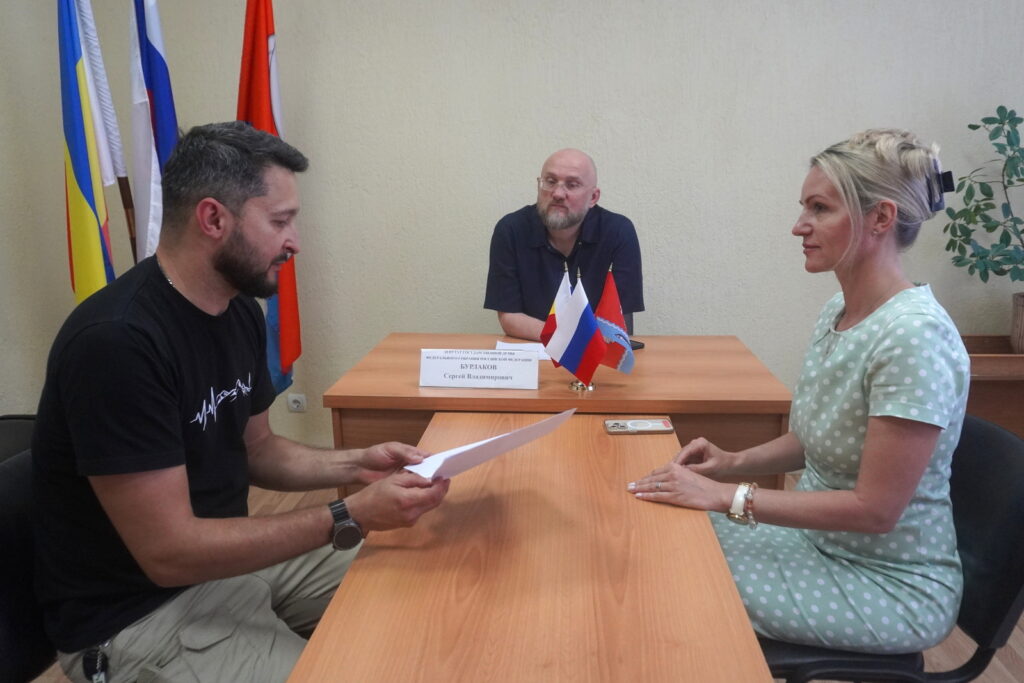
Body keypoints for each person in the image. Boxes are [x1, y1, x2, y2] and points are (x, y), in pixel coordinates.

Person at [32, 121, 450, 682]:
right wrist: (347, 513)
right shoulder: (117, 344)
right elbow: (168, 553)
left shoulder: (237, 312)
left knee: (433, 590)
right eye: (280, 221)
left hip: (226, 567)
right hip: (138, 616)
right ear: (213, 219)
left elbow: (258, 449)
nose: (294, 242)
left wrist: (360, 463)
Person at [628, 129, 969, 654]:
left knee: (663, 573)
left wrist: (725, 496)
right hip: (818, 545)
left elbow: (875, 510)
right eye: (804, 207)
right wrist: (732, 462)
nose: (799, 225)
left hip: (887, 583)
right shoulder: (839, 311)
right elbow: (815, 437)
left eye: (820, 208)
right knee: (655, 529)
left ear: (880, 218)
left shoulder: (914, 337)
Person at [484, 148, 644, 341]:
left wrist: (575, 344)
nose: (558, 193)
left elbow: (619, 322)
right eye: (550, 181)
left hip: (596, 352)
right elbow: (510, 317)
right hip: (535, 348)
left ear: (593, 197)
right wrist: (566, 342)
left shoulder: (618, 233)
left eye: (572, 184)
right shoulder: (511, 230)